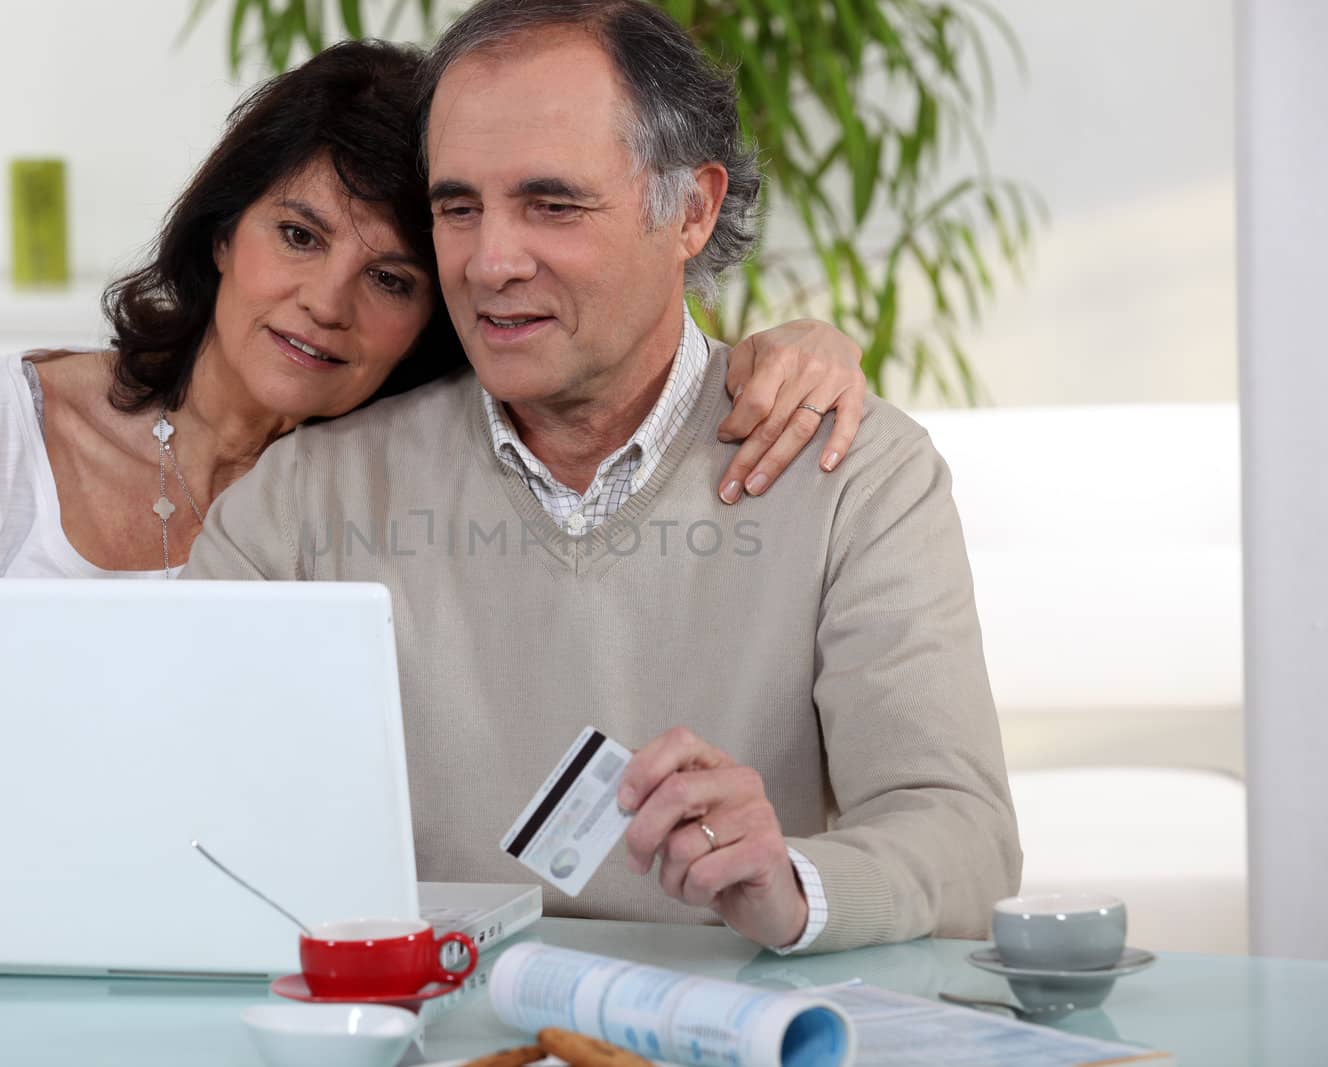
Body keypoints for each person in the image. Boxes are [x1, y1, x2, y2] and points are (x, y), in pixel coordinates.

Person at [0, 39, 871, 948]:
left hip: (247, 961)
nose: (325, 301)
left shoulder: (408, 484)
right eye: (299, 234)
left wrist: (798, 348)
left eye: (393, 277)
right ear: (224, 232)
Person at [183, 0, 1021, 954]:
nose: (491, 260)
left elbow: (965, 839)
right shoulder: (300, 502)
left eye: (553, 204)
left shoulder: (853, 475)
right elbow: (176, 813)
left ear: (692, 212)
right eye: (458, 208)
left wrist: (793, 882)